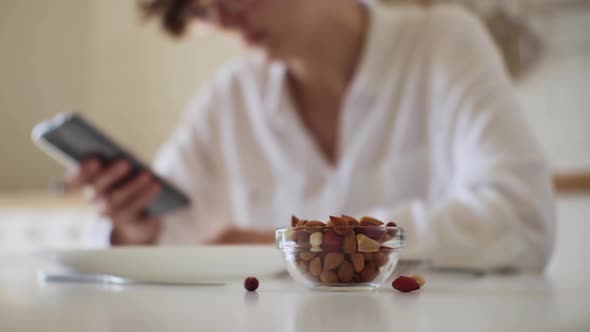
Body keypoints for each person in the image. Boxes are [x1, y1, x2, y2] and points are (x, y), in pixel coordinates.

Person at [67, 0, 555, 271]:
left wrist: (293, 244)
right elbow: (169, 249)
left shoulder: (442, 44)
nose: (220, 17)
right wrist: (136, 229)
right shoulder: (230, 99)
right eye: (198, 9)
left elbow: (520, 221)